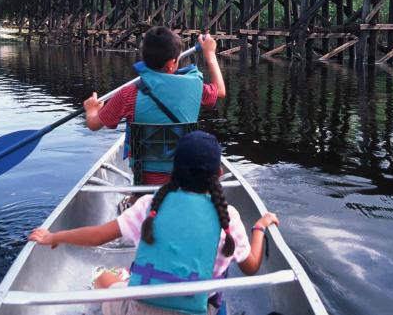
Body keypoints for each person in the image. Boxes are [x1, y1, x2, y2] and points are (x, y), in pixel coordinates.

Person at [28, 131, 279, 315]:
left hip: (140, 310)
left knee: (103, 278)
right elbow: (251, 267)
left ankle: (120, 278)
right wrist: (259, 227)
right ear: (219, 175)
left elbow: (96, 236)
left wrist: (54, 237)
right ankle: (125, 278)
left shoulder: (149, 205)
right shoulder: (229, 216)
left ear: (175, 170)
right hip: (199, 309)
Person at [83, 26, 226, 187]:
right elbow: (220, 91)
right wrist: (210, 54)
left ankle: (135, 198)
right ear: (172, 63)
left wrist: (92, 110)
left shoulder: (128, 94)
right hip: (183, 180)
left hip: (143, 184)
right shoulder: (196, 88)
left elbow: (93, 124)